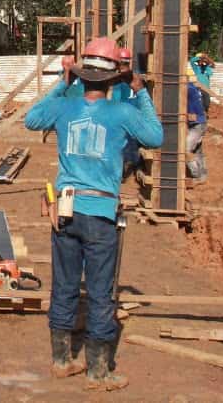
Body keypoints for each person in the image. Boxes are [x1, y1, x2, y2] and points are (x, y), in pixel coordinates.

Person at [24, 37, 163, 391]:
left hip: (66, 210)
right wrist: (140, 91)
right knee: (101, 293)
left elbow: (31, 119)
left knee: (65, 286)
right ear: (113, 79)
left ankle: (61, 360)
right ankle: (98, 372)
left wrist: (61, 82)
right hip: (101, 212)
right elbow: (156, 136)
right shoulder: (123, 113)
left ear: (82, 74)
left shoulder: (65, 107)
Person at [113, 48, 141, 176]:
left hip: (123, 114)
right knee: (133, 141)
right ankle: (135, 164)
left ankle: (123, 167)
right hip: (136, 113)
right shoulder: (136, 75)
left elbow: (116, 99)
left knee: (121, 141)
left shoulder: (118, 78)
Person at [186, 68, 208, 183]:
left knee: (185, 149)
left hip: (197, 125)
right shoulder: (194, 88)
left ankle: (196, 175)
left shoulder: (188, 89)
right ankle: (203, 175)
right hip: (200, 122)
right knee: (198, 151)